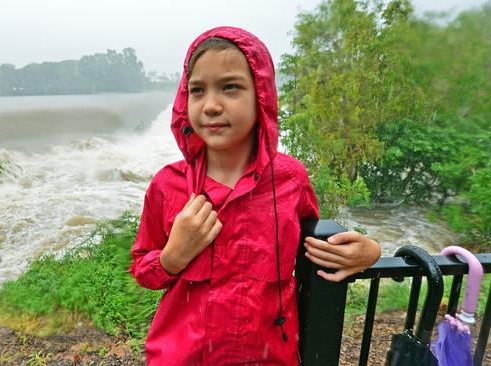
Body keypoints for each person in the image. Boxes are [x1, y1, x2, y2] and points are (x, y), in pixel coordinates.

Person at [130, 26, 381, 365]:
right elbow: (143, 268)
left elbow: (316, 251)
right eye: (197, 90)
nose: (211, 106)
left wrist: (370, 254)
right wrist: (172, 258)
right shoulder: (168, 185)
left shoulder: (290, 179)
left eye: (230, 87)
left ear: (261, 94)